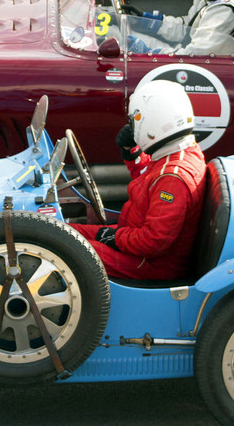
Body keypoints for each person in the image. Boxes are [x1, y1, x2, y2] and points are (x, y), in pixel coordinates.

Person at [70, 81, 207, 281]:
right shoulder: (180, 153)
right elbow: (147, 179)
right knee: (62, 231)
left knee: (63, 246)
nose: (132, 127)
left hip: (149, 264)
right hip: (132, 240)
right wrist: (131, 150)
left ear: (153, 123)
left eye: (135, 121)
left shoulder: (173, 178)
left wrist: (113, 237)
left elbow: (153, 242)